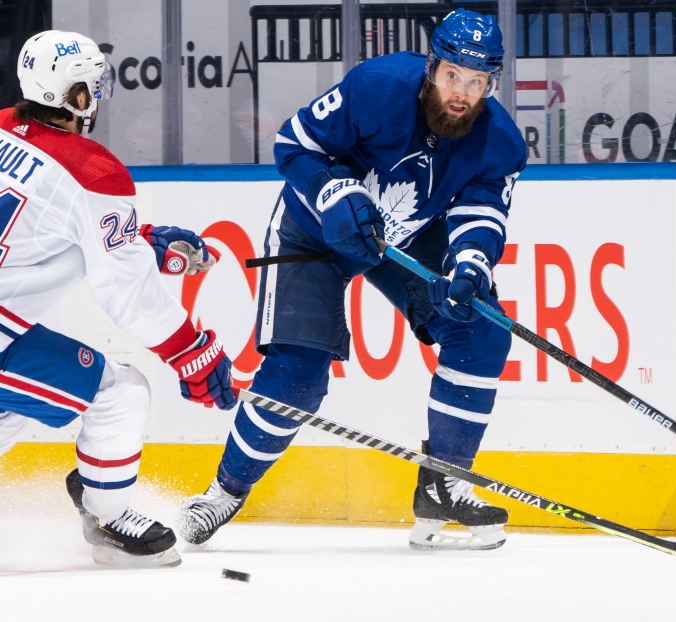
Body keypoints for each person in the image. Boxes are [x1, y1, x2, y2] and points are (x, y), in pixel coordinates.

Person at [0, 30, 236, 568]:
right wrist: (193, 352)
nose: (99, 96)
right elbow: (126, 290)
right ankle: (108, 518)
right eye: (93, 86)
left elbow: (39, 217)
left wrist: (133, 237)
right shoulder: (96, 171)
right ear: (76, 97)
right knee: (121, 390)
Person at [177, 8, 527, 551]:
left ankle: (443, 485)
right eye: (453, 75)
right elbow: (293, 145)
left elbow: (482, 213)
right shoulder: (377, 86)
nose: (462, 92)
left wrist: (470, 264)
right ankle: (223, 493)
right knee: (298, 372)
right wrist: (332, 190)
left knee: (480, 326)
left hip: (404, 238)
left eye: (477, 81)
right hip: (315, 232)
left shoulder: (499, 140)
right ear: (432, 67)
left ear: (492, 83)